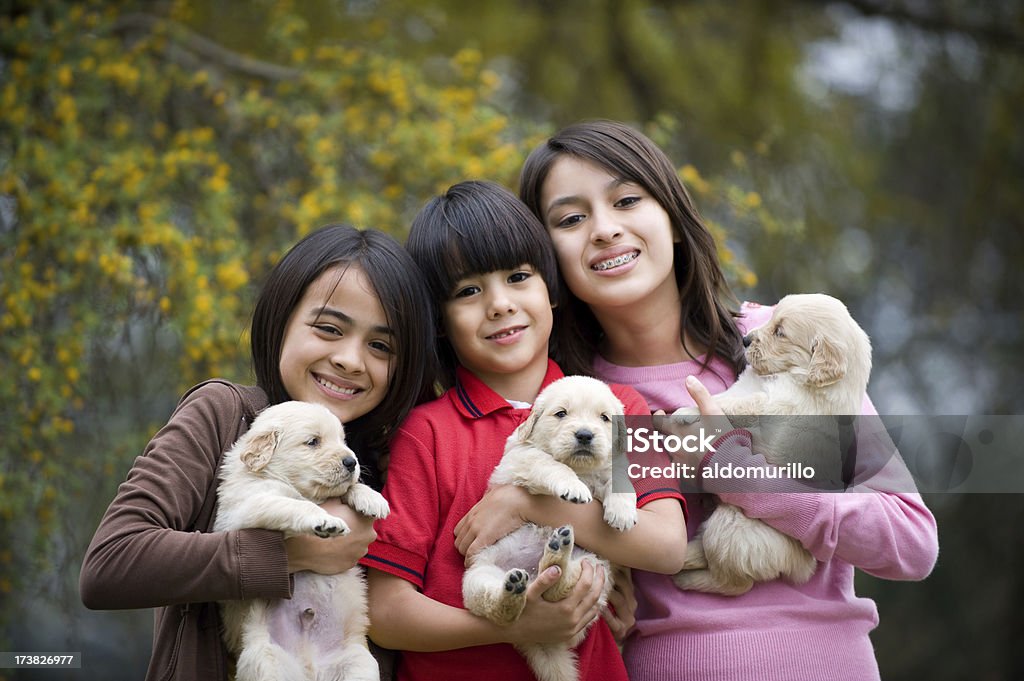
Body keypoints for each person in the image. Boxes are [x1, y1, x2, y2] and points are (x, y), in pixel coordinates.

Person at [457, 120, 939, 681]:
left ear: (674, 220)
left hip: (825, 662)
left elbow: (909, 542)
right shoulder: (573, 401)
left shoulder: (782, 340)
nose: (605, 229)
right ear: (547, 262)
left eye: (627, 200)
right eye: (571, 218)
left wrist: (735, 472)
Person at [361, 180, 688, 681]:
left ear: (551, 291)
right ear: (439, 322)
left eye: (518, 277)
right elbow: (386, 613)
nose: (498, 304)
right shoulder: (425, 432)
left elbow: (666, 546)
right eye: (468, 291)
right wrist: (514, 625)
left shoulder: (615, 405)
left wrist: (527, 502)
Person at [80, 224, 437, 681]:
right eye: (329, 328)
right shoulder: (224, 415)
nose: (351, 359)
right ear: (281, 319)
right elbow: (111, 564)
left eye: (381, 346)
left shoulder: (393, 453)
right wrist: (288, 555)